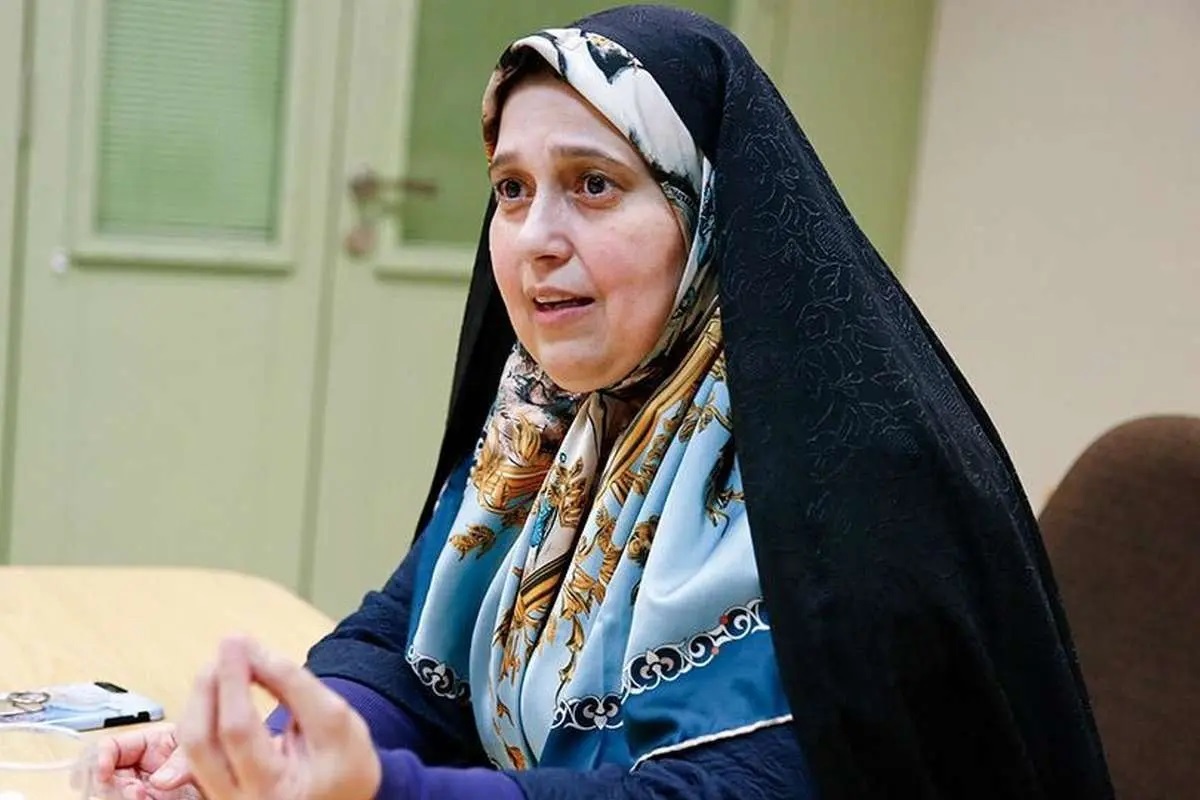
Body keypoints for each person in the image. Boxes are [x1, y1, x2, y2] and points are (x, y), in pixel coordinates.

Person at [91, 6, 1114, 800]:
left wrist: (382, 789)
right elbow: (407, 642)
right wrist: (273, 755)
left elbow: (730, 791)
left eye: (593, 184)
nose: (536, 237)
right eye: (511, 188)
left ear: (707, 214)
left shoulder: (845, 475)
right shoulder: (552, 411)